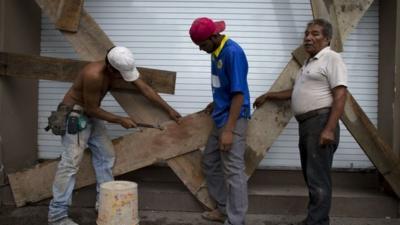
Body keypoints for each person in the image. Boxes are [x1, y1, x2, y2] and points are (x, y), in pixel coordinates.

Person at [47, 46, 181, 225]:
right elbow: (91, 108)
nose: (122, 79)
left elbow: (146, 90)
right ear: (110, 67)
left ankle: (104, 202)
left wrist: (169, 110)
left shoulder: (122, 64)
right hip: (76, 115)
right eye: (119, 75)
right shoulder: (93, 75)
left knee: (106, 155)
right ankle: (57, 216)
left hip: (91, 115)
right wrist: (120, 120)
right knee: (70, 164)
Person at [254, 19, 347, 225]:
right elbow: (296, 92)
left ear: (327, 39)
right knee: (311, 176)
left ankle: (318, 222)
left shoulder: (331, 58)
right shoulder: (308, 63)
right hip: (307, 125)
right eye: (306, 34)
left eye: (315, 34)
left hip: (320, 122)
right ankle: (314, 219)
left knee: (318, 178)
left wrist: (329, 129)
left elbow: (340, 95)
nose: (308, 37)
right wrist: (270, 95)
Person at [189, 17, 251, 225]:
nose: (200, 50)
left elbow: (239, 94)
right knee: (210, 161)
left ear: (214, 37)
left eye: (202, 45)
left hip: (233, 119)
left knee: (234, 170)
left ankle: (236, 220)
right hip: (221, 114)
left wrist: (229, 130)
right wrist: (216, 101)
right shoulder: (216, 51)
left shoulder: (232, 53)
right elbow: (226, 86)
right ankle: (225, 209)